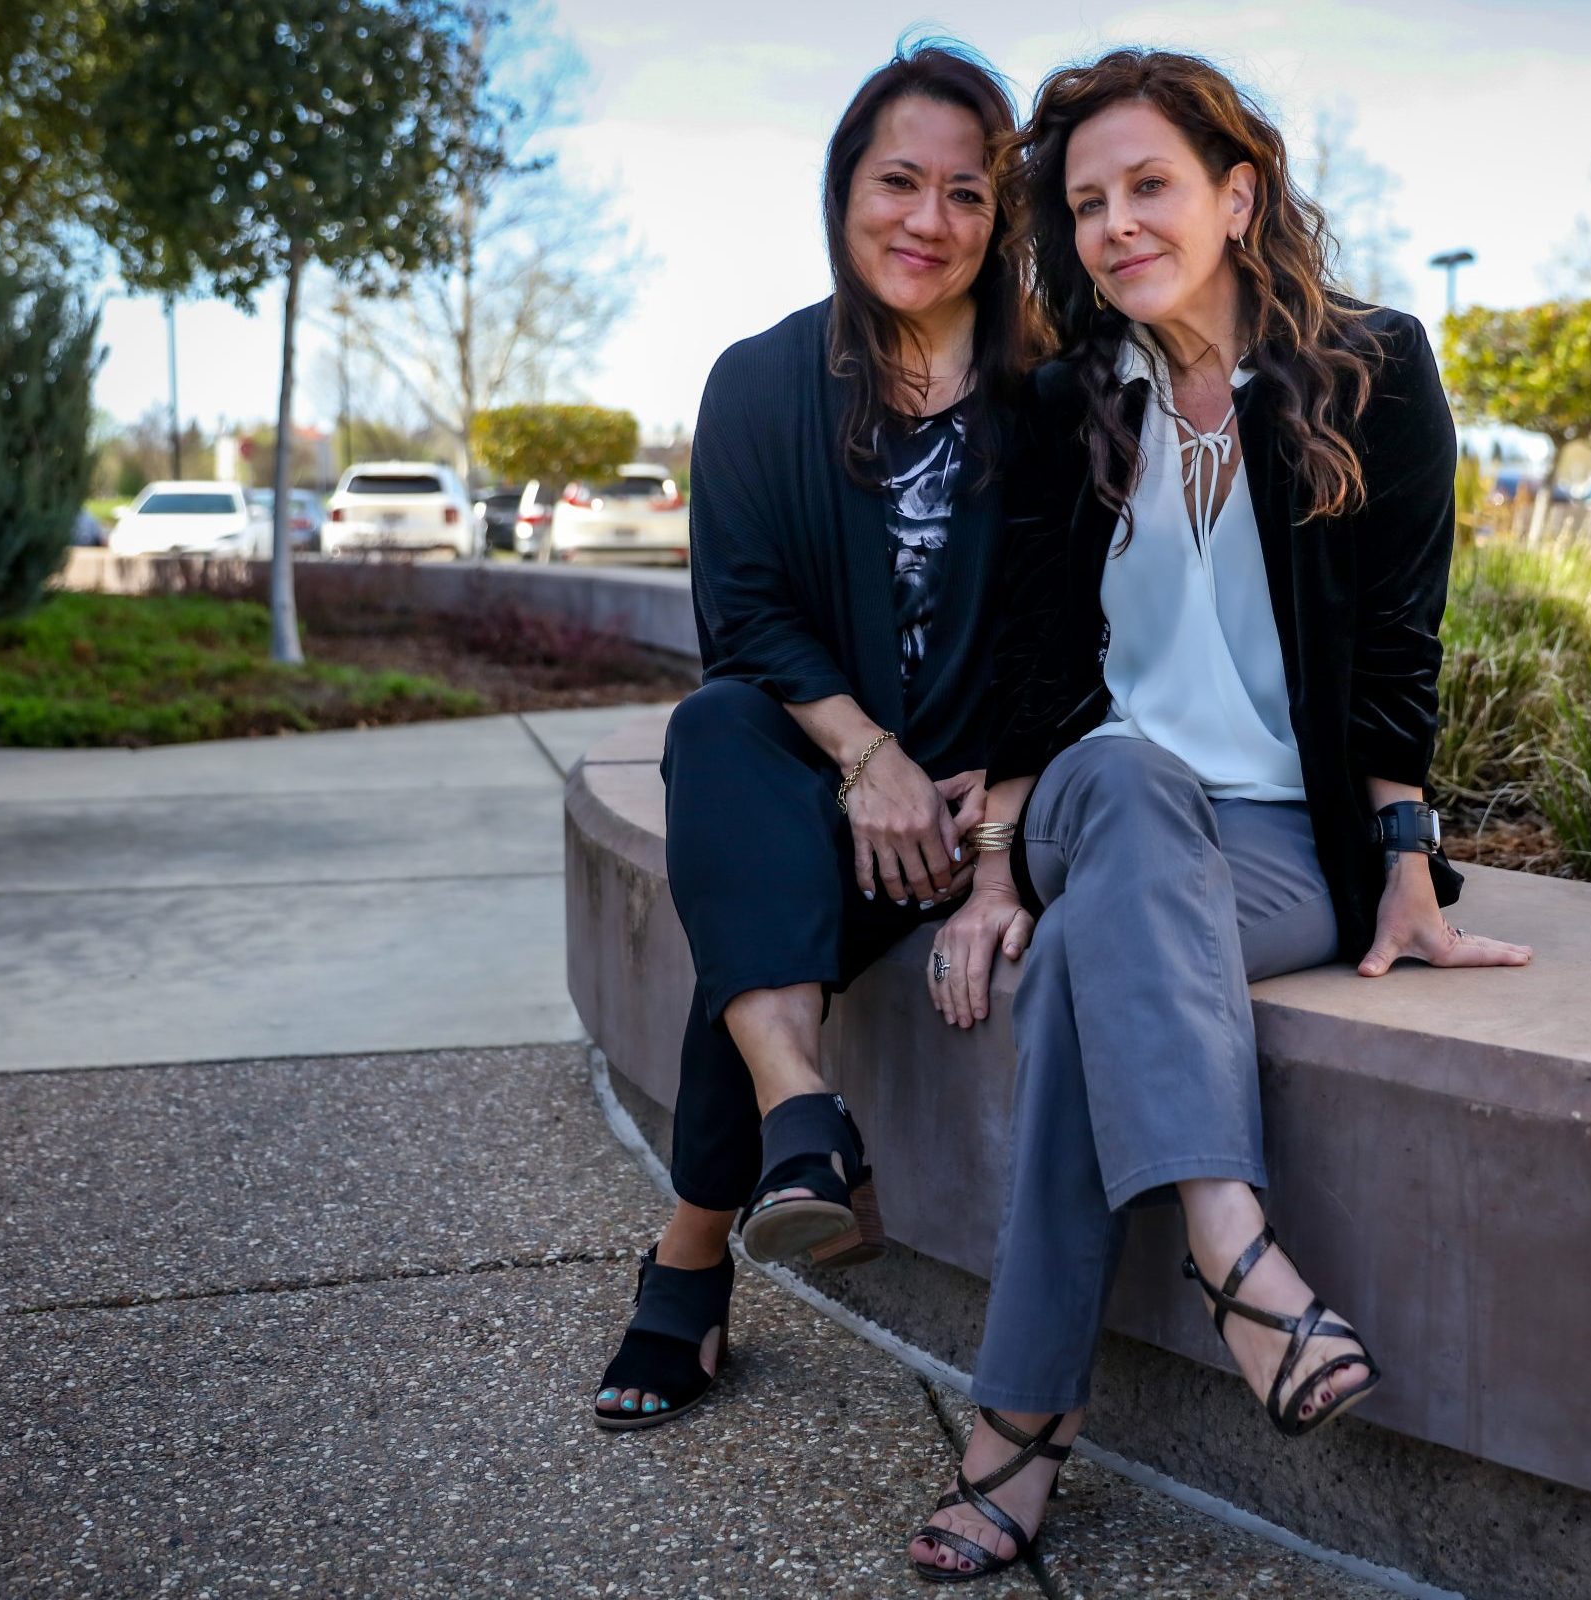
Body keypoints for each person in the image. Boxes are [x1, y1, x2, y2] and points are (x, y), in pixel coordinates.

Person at [905, 49, 1533, 1577]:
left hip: (1274, 851)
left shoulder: (1373, 370)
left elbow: (1398, 650)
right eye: (1092, 202)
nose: (1119, 225)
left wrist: (1403, 863)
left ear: (1237, 194)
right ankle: (1234, 1252)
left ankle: (1020, 1435)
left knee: (1076, 975)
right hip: (1089, 804)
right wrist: (991, 874)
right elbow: (1028, 666)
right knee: (1124, 779)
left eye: (1153, 188)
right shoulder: (1065, 405)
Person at [590, 42, 1034, 1432]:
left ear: (1002, 218)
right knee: (719, 729)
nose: (928, 220)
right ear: (844, 192)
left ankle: (697, 1251)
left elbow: (1083, 639)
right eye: (898, 181)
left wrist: (993, 821)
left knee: (751, 903)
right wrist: (863, 758)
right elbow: (745, 614)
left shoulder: (1061, 398)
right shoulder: (764, 381)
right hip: (828, 769)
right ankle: (802, 1112)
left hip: (982, 794)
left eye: (968, 193)